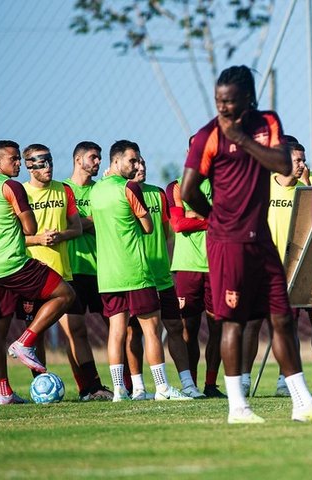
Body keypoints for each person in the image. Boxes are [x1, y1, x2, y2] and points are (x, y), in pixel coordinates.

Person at [182, 65, 312, 423]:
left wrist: (243, 139)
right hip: (228, 244)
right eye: (218, 100)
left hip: (262, 241)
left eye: (229, 101)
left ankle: (302, 404)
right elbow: (187, 190)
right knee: (234, 323)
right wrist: (216, 218)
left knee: (282, 318)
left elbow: (282, 164)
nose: (222, 107)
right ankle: (238, 408)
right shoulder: (208, 136)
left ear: (247, 98)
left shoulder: (266, 122)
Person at [0, 140, 76, 404]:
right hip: (13, 263)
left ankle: (5, 393)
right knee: (65, 294)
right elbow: (31, 228)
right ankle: (25, 342)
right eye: (13, 159)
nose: (19, 163)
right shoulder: (12, 186)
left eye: (19, 158)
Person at [90, 140, 188, 402]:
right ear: (116, 161)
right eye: (132, 160)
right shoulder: (129, 187)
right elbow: (148, 227)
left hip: (108, 276)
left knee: (116, 332)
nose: (136, 166)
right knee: (151, 330)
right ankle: (163, 388)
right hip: (135, 271)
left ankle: (120, 391)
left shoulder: (96, 190)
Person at [15, 143, 113, 401]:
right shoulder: (20, 193)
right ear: (29, 166)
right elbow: (14, 237)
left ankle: (91, 388)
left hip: (63, 273)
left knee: (77, 329)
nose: (48, 167)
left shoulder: (63, 190)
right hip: (32, 274)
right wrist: (38, 240)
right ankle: (40, 385)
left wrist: (61, 236)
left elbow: (76, 228)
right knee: (37, 336)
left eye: (50, 161)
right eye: (42, 163)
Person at [256, 134, 312, 397]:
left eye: (304, 160)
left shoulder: (310, 185)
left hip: (308, 265)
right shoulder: (265, 186)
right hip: (275, 267)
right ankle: (283, 379)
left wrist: (308, 185)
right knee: (285, 324)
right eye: (298, 160)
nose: (302, 165)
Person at [128, 157, 203, 399]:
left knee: (175, 326)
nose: (141, 167)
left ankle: (188, 384)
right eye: (135, 163)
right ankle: (138, 388)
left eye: (143, 163)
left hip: (161, 274)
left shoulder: (158, 194)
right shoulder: (121, 194)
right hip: (135, 274)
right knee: (134, 331)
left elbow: (167, 231)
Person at [165, 141, 225, 399]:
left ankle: (211, 384)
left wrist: (196, 217)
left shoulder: (223, 184)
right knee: (188, 327)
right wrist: (211, 219)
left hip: (217, 265)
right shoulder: (177, 186)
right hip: (187, 266)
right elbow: (178, 224)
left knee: (218, 327)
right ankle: (191, 384)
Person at [62, 141, 115, 401]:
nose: (98, 162)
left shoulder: (101, 189)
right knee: (76, 330)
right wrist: (90, 222)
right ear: (78, 159)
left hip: (102, 269)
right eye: (93, 157)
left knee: (119, 328)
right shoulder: (61, 190)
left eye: (99, 157)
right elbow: (63, 224)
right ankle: (90, 388)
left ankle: (127, 385)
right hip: (70, 270)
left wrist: (77, 224)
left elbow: (107, 220)